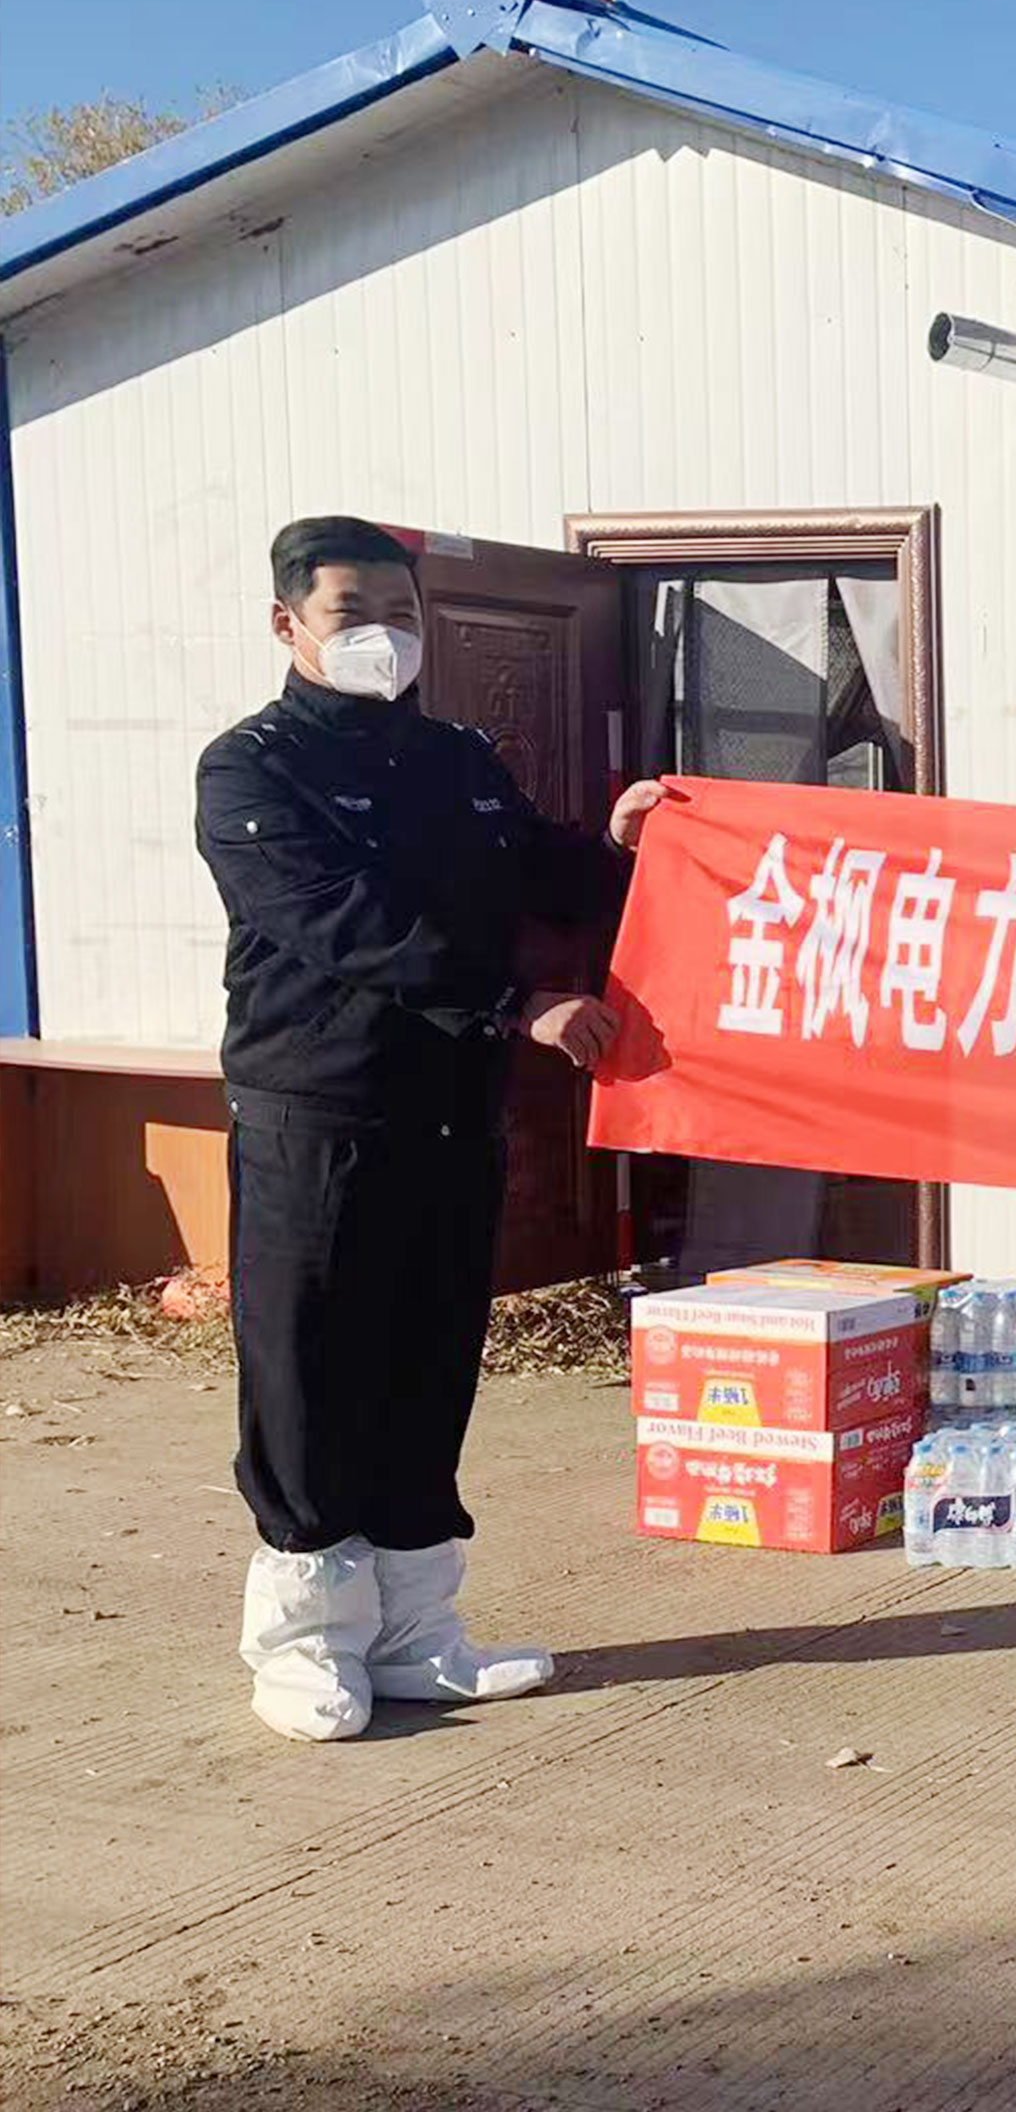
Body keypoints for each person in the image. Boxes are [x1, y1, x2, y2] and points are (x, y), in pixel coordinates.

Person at [196, 516, 668, 1743]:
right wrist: (518, 1003)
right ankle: (304, 1643)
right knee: (311, 1370)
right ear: (288, 624)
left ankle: (415, 1635)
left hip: (451, 1112)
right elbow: (346, 926)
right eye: (352, 614)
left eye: (400, 614)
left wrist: (629, 847)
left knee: (429, 1359)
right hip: (319, 1111)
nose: (384, 637)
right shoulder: (252, 770)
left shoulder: (456, 757)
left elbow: (542, 871)